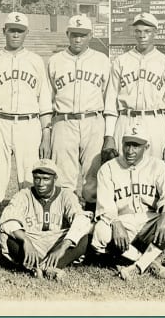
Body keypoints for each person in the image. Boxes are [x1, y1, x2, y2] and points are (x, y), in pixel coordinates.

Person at [0, 12, 54, 260]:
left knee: (29, 183)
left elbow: (44, 100)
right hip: (1, 122)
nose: (15, 34)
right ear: (4, 31)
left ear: (26, 33)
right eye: (11, 29)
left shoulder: (35, 61)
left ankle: (30, 236)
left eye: (19, 30)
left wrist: (45, 134)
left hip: (28, 124)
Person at [92, 125, 165, 280]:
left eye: (136, 146)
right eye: (127, 144)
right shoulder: (108, 168)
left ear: (146, 147)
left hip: (149, 222)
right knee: (101, 231)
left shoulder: (158, 166)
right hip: (123, 224)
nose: (130, 151)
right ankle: (151, 262)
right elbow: (105, 204)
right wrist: (115, 222)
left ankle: (137, 265)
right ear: (121, 144)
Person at [46, 14, 112, 214]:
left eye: (82, 35)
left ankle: (92, 225)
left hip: (93, 120)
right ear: (67, 34)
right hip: (64, 121)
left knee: (93, 176)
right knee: (64, 177)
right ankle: (67, 219)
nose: (78, 39)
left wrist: (108, 131)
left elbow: (108, 96)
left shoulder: (101, 60)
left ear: (90, 35)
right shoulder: (55, 60)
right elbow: (48, 97)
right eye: (74, 34)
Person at [103, 12, 165, 168]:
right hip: (125, 119)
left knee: (156, 170)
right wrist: (109, 136)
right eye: (138, 31)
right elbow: (111, 103)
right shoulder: (121, 61)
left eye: (147, 31)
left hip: (155, 121)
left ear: (155, 33)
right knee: (122, 171)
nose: (142, 35)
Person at [0, 158, 92, 281]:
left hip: (57, 241)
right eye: (37, 178)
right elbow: (9, 219)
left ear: (55, 179)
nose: (40, 183)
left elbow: (81, 220)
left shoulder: (66, 195)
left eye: (46, 179)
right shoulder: (24, 194)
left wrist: (62, 247)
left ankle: (43, 268)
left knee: (83, 235)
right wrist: (26, 240)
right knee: (7, 237)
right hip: (33, 240)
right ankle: (47, 268)